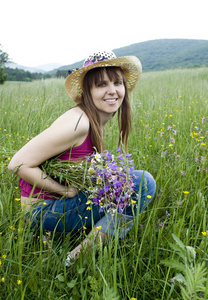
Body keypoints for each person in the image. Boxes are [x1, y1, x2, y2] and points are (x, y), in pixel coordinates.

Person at [8, 50, 156, 266]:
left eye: (117, 82)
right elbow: (17, 163)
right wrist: (65, 191)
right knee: (143, 183)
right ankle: (76, 259)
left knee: (122, 183)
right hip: (42, 212)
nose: (112, 91)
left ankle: (83, 242)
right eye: (101, 84)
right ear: (88, 91)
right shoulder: (79, 123)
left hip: (54, 207)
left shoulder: (93, 120)